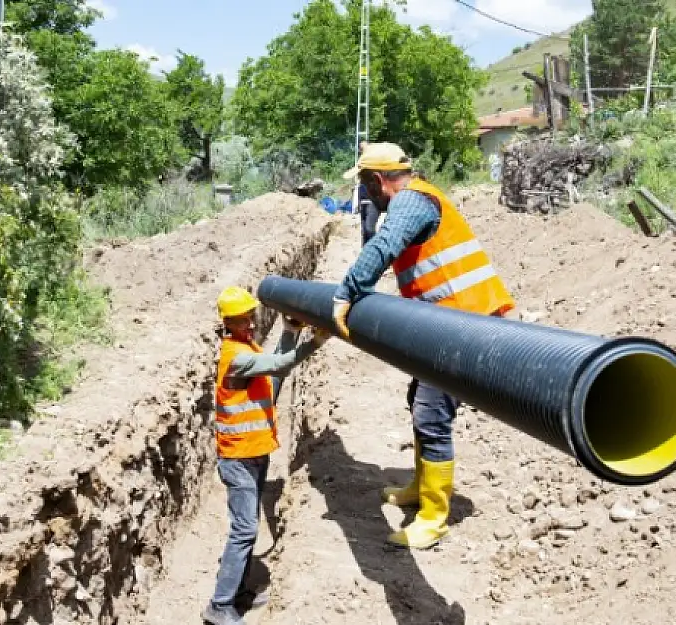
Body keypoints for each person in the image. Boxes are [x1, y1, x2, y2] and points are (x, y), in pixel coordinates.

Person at [331, 142, 516, 550]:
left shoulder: (413, 203)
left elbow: (383, 247)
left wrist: (347, 292)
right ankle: (419, 487)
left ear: (377, 181)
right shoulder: (416, 198)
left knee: (432, 413)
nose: (365, 195)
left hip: (464, 324)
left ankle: (433, 517)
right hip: (444, 321)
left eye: (365, 185)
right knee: (419, 397)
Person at [203, 286, 331, 625]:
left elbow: (275, 375)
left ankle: (239, 592)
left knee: (248, 526)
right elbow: (279, 362)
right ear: (232, 321)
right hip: (239, 459)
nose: (251, 322)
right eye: (245, 317)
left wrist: (290, 331)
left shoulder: (246, 348)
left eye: (251, 316)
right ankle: (219, 606)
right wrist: (315, 342)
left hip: (254, 453)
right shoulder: (236, 356)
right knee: (244, 530)